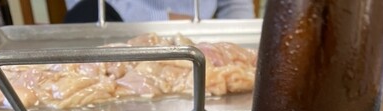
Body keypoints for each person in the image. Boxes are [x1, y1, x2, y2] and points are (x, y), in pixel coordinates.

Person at [64, 0, 255, 22]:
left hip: (201, 37)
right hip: (118, 26)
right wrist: (162, 19)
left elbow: (236, 6)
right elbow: (82, 5)